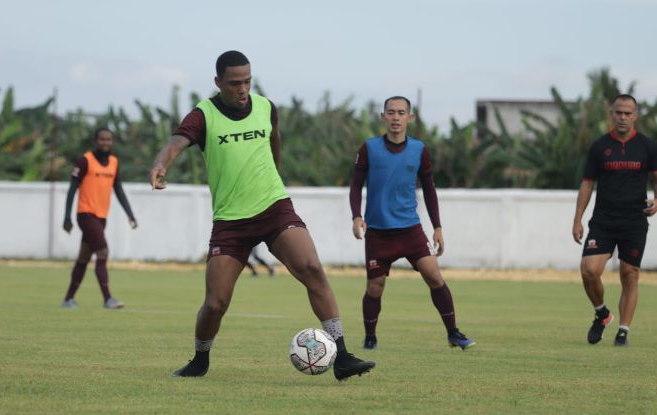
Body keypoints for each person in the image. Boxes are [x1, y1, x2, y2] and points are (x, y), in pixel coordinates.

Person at [148, 50, 375, 380]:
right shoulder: (204, 115)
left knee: (312, 268)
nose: (243, 89)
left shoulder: (267, 107)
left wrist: (276, 174)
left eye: (248, 82)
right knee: (215, 303)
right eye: (235, 83)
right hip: (230, 221)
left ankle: (341, 356)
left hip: (274, 207)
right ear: (218, 83)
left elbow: (274, 138)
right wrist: (159, 165)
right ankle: (200, 360)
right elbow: (175, 144)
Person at [349, 96, 475, 351]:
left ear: (410, 118)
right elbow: (355, 186)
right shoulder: (369, 148)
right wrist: (356, 216)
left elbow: (429, 189)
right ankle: (370, 337)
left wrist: (437, 227)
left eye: (401, 112)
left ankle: (453, 333)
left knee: (435, 277)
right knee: (375, 287)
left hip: (410, 230)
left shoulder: (419, 150)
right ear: (383, 116)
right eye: (391, 112)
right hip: (379, 233)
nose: (396, 117)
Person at [572, 94, 657, 347]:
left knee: (629, 274)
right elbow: (587, 183)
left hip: (634, 220)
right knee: (589, 271)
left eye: (627, 113)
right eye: (618, 112)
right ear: (612, 114)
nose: (623, 117)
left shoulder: (647, 146)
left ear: (635, 116)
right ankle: (602, 313)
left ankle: (623, 331)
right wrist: (577, 219)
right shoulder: (600, 146)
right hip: (603, 221)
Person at [61, 128, 138, 309]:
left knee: (83, 258)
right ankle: (108, 299)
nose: (105, 142)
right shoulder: (85, 160)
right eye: (102, 139)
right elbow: (72, 190)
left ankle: (68, 299)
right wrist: (67, 217)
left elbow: (118, 190)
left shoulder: (113, 162)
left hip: (102, 217)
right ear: (95, 141)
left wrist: (130, 215)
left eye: (108, 139)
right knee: (103, 252)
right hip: (86, 215)